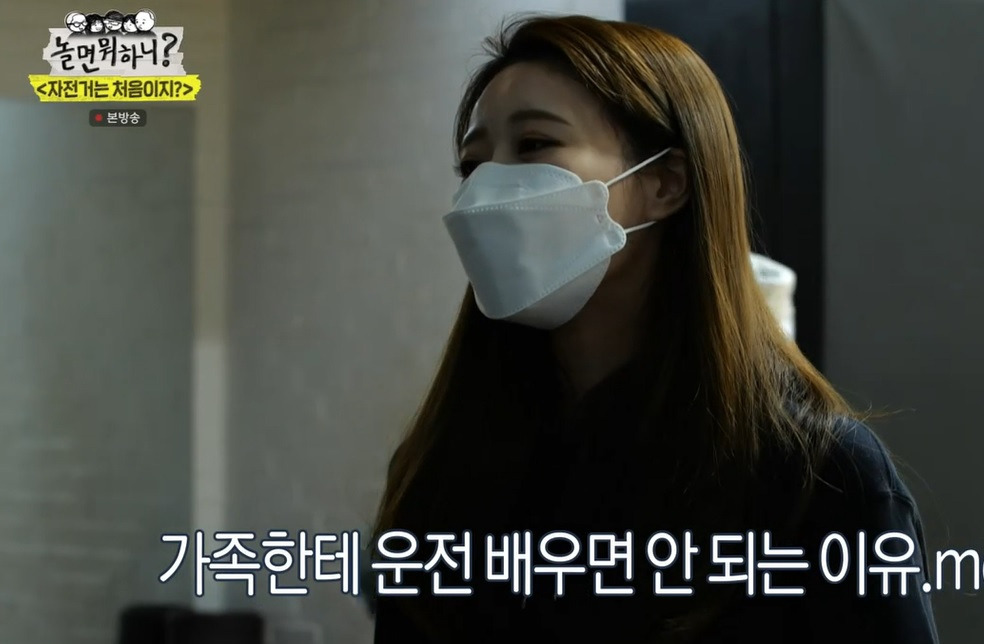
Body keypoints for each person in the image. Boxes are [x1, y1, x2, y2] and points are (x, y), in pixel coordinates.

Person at [372, 14, 939, 643]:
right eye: (473, 164)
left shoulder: (816, 476)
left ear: (665, 183)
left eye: (534, 145)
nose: (488, 191)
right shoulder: (442, 465)